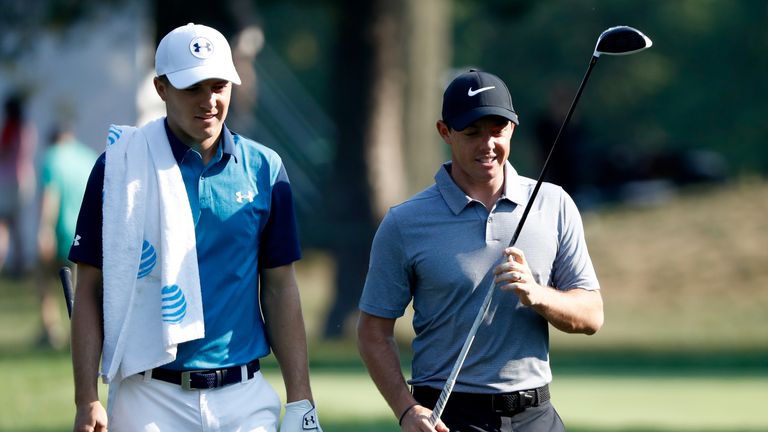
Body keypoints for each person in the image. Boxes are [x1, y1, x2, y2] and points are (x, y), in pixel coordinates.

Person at [69, 23, 321, 431]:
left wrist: (300, 400)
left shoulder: (265, 169)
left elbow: (280, 287)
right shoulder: (118, 168)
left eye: (219, 86)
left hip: (244, 394)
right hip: (147, 394)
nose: (209, 101)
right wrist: (86, 400)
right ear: (161, 88)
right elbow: (89, 291)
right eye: (193, 88)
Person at [357, 70, 603, 432]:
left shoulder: (554, 204)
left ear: (512, 130)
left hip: (536, 415)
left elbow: (591, 316)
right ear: (445, 132)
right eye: (472, 132)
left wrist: (537, 296)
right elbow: (373, 331)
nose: (487, 144)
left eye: (497, 130)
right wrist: (407, 410)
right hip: (448, 416)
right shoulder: (405, 222)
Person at [36, 123, 97, 349]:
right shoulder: (88, 157)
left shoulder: (52, 158)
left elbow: (50, 196)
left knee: (43, 279)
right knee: (84, 288)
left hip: (62, 233)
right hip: (89, 235)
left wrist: (44, 230)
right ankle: (85, 333)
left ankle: (51, 330)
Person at [0, 94, 37, 276]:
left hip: (9, 181)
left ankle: (8, 261)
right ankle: (19, 262)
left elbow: (4, 152)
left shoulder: (10, 128)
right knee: (15, 223)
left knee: (4, 223)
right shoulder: (27, 128)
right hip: (25, 179)